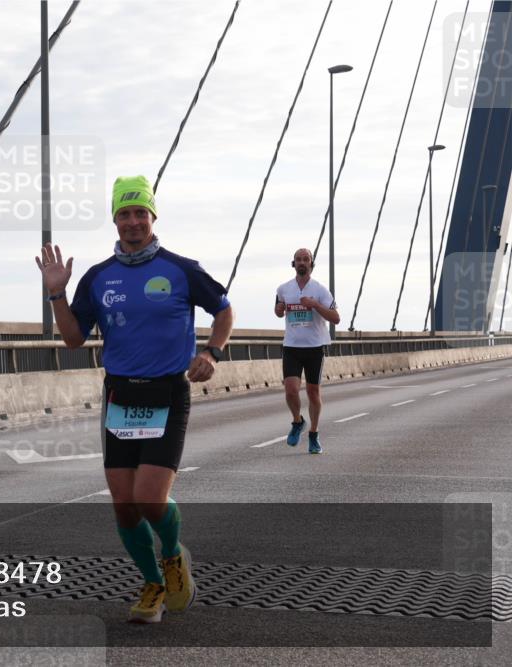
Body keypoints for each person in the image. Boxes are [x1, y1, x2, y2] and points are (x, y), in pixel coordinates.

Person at [35, 175, 234, 623]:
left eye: (139, 212)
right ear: (114, 220)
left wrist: (212, 352)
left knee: (150, 498)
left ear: (153, 216)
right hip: (120, 394)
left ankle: (171, 553)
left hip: (168, 392)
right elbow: (71, 339)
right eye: (123, 214)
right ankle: (153, 583)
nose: (132, 222)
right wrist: (57, 292)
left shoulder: (181, 269)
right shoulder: (98, 278)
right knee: (124, 506)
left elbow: (223, 308)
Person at [274, 248, 340, 454]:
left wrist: (315, 305)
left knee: (313, 392)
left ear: (311, 264)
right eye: (298, 260)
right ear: (293, 264)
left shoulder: (320, 290)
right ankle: (297, 421)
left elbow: (336, 318)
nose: (302, 262)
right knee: (291, 389)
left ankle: (314, 433)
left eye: (306, 259)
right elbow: (278, 311)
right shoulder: (284, 288)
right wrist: (279, 310)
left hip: (314, 347)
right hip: (292, 346)